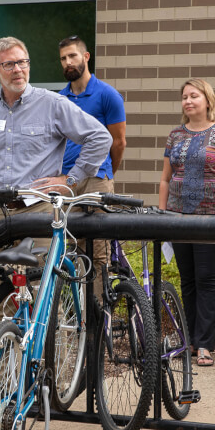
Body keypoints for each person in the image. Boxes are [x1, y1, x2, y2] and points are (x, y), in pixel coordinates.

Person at [0, 36, 113, 225]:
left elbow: (100, 137)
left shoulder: (53, 104)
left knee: (42, 257)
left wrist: (70, 180)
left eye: (22, 62)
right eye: (9, 64)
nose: (18, 70)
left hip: (40, 212)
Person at [58, 34, 127, 299]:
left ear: (86, 57)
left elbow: (118, 142)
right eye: (63, 58)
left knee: (97, 251)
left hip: (97, 178)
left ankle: (98, 319)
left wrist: (108, 174)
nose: (68, 62)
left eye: (73, 56)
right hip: (66, 181)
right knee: (63, 247)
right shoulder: (59, 99)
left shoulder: (107, 95)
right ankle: (69, 319)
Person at [159, 78, 215, 367]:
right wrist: (161, 215)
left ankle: (206, 345)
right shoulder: (175, 135)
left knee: (207, 280)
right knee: (188, 280)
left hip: (209, 220)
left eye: (194, 96)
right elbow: (166, 179)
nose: (188, 101)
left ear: (207, 100)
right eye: (184, 97)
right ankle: (191, 341)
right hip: (178, 218)